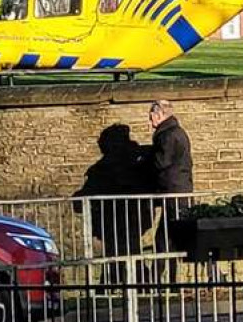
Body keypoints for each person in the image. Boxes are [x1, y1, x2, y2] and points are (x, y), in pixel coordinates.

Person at [73, 125, 154, 264]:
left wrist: (79, 197)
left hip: (116, 220)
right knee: (128, 258)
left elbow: (93, 188)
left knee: (119, 259)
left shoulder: (106, 167)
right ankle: (139, 282)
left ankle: (137, 282)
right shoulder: (139, 158)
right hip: (135, 218)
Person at [149, 100, 193, 262]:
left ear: (159, 115)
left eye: (151, 116)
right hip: (180, 191)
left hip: (173, 193)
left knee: (166, 239)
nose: (150, 120)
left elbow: (161, 162)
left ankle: (156, 281)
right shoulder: (176, 132)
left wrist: (144, 159)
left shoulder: (167, 135)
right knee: (175, 238)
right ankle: (158, 280)